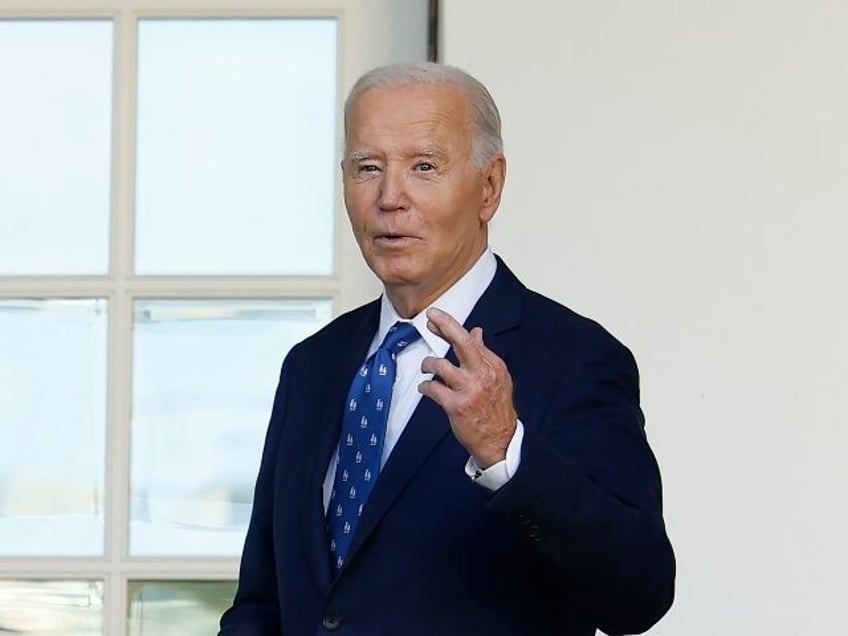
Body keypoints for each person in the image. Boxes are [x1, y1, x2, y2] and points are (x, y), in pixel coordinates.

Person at [219, 61, 675, 636]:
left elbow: (639, 596)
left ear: (489, 187)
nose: (390, 197)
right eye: (367, 168)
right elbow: (264, 602)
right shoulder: (313, 364)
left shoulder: (575, 358)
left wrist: (506, 453)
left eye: (425, 167)